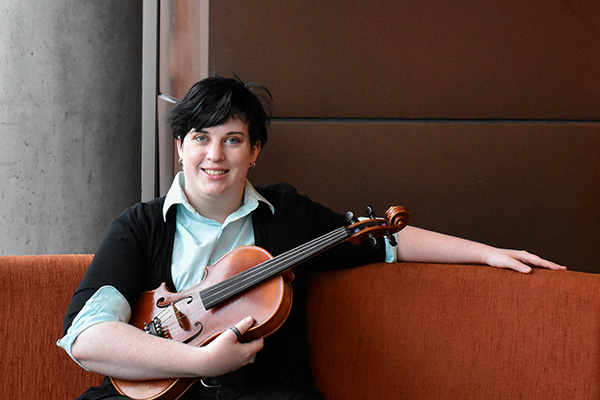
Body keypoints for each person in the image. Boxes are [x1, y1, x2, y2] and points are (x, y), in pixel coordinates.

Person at [58, 75, 566, 400]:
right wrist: (199, 361)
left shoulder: (287, 216)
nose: (215, 155)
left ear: (254, 151)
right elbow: (88, 339)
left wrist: (488, 253)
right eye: (201, 138)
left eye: (233, 139)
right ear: (180, 147)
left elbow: (386, 241)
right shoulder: (139, 226)